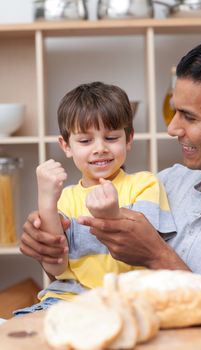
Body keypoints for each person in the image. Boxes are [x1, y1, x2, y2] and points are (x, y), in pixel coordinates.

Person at [20, 37, 201, 289]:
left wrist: (156, 255)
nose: (172, 128)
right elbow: (80, 278)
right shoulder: (168, 183)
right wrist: (46, 241)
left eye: (189, 117)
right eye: (175, 111)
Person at [15, 81, 176, 316]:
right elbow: (56, 267)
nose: (100, 148)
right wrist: (46, 200)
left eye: (111, 138)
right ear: (66, 145)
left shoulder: (145, 183)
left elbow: (144, 250)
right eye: (85, 141)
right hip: (67, 299)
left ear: (129, 139)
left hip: (128, 299)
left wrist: (110, 215)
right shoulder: (66, 198)